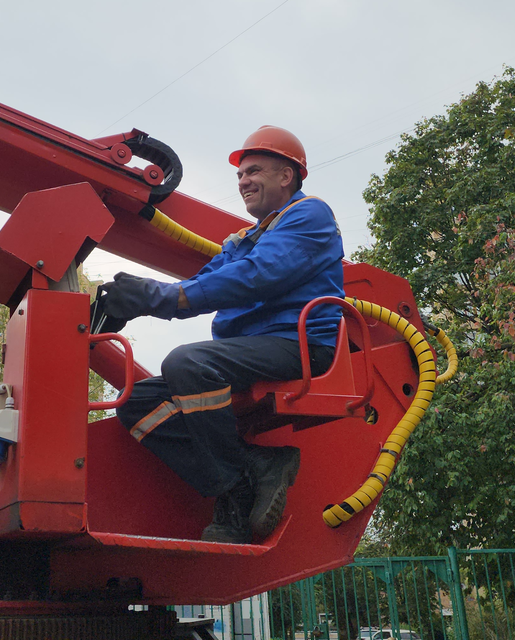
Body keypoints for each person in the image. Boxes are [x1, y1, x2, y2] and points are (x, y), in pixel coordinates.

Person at [98, 126, 345, 544]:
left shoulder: (309, 215)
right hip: (254, 350)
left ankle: (232, 493)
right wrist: (134, 298)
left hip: (299, 347)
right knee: (136, 403)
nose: (243, 181)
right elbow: (208, 281)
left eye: (253, 171)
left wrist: (160, 297)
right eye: (239, 176)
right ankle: (254, 467)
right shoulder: (246, 238)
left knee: (187, 362)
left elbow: (257, 276)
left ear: (287, 176)